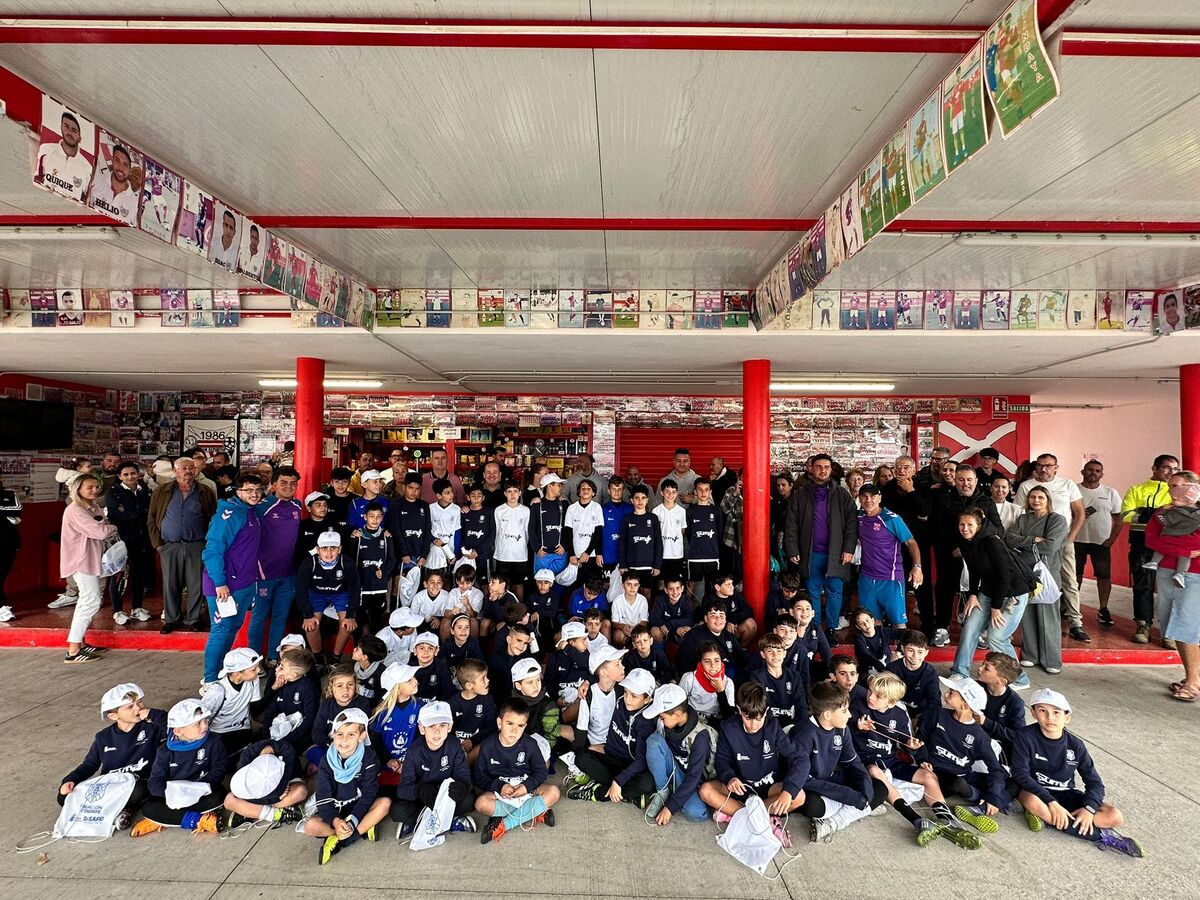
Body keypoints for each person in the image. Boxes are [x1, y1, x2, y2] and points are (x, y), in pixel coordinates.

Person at [1012, 689, 1143, 857]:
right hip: (1037, 792)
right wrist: (1051, 802)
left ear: (1067, 718)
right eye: (1042, 711)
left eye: (1056, 712)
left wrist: (1088, 809)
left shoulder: (1076, 745)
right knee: (1030, 800)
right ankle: (1101, 836)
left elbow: (1095, 783)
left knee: (1115, 816)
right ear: (1033, 713)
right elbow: (1020, 774)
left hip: (1066, 793)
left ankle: (1050, 819)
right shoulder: (1025, 736)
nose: (1050, 718)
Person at [700, 682, 804, 843]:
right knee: (706, 791)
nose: (754, 724)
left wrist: (788, 791)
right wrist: (730, 778)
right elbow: (721, 761)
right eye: (748, 718)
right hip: (740, 789)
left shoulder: (773, 727)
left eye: (759, 718)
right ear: (739, 710)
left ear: (766, 712)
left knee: (799, 796)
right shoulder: (729, 728)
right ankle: (765, 820)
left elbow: (800, 758)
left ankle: (736, 814)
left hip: (767, 789)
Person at [59, 683, 167, 831]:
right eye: (130, 707)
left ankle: (119, 810)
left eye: (140, 702)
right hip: (111, 785)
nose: (138, 708)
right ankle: (118, 811)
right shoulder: (103, 737)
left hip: (137, 783)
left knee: (143, 789)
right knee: (64, 797)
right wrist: (70, 780)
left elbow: (174, 728)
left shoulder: (151, 728)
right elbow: (90, 764)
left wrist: (153, 714)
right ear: (113, 715)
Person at [792, 681, 888, 844]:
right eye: (844, 710)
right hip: (813, 786)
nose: (850, 715)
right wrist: (849, 796)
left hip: (833, 779)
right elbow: (804, 779)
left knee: (879, 789)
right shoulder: (803, 735)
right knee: (810, 806)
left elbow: (854, 762)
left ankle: (831, 823)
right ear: (827, 714)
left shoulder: (842, 728)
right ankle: (855, 810)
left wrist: (865, 789)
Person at [953, 509, 1034, 688]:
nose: (965, 528)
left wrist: (996, 607)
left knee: (996, 638)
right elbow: (973, 569)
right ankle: (960, 671)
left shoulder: (991, 541)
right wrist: (973, 594)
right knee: (970, 628)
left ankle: (1020, 679)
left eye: (969, 525)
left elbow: (1004, 576)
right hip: (988, 591)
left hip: (1012, 593)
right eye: (962, 524)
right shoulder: (965, 541)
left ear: (979, 526)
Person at [1015, 454, 1090, 643]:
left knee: (1069, 581)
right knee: (1032, 582)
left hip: (1063, 542)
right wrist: (1028, 541)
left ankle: (1075, 623)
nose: (1044, 469)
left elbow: (1079, 513)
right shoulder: (1026, 486)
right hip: (1035, 546)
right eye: (1040, 466)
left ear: (1056, 467)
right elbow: (1020, 514)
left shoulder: (1067, 484)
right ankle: (1027, 627)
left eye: (1048, 466)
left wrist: (1070, 538)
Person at [200, 474, 264, 686]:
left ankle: (222, 674)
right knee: (221, 630)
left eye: (257, 489)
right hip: (225, 587)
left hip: (244, 584)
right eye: (249, 490)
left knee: (232, 627)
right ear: (238, 492)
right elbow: (213, 550)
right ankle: (210, 681)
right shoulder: (228, 515)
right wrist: (220, 582)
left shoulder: (250, 512)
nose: (254, 494)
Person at [305, 707, 390, 865]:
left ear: (362, 736)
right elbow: (323, 797)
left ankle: (344, 839)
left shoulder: (369, 757)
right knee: (310, 826)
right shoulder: (326, 761)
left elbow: (369, 793)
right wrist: (336, 822)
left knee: (384, 804)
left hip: (359, 808)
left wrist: (354, 819)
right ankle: (361, 828)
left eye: (351, 734)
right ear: (333, 735)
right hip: (337, 810)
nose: (344, 740)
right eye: (340, 734)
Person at [784, 453, 858, 636]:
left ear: (831, 470)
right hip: (810, 554)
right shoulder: (800, 494)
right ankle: (814, 629)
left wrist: (849, 549)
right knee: (812, 592)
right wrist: (792, 548)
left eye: (826, 467)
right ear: (811, 469)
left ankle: (831, 629)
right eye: (818, 467)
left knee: (835, 591)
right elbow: (791, 524)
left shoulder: (841, 494)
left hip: (836, 553)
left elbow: (851, 523)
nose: (822, 470)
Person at [928, 464, 1001, 647]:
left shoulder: (986, 502)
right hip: (950, 555)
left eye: (969, 480)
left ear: (976, 481)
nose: (965, 484)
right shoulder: (944, 500)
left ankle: (973, 630)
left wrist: (974, 541)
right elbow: (936, 528)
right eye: (961, 479)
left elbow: (997, 528)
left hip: (978, 558)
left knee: (975, 592)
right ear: (955, 480)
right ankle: (942, 628)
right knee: (945, 590)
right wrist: (955, 546)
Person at [132, 698, 227, 837]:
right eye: (197, 724)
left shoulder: (213, 741)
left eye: (205, 720)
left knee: (219, 796)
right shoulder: (165, 751)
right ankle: (197, 820)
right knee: (149, 807)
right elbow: (156, 780)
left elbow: (219, 768)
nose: (204, 726)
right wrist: (172, 794)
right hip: (174, 796)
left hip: (201, 791)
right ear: (178, 731)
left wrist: (198, 788)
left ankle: (165, 820)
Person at [473, 697, 560, 844]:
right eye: (510, 723)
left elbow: (541, 772)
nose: (514, 730)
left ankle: (503, 826)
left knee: (554, 792)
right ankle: (534, 812)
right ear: (499, 723)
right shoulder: (487, 746)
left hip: (526, 789)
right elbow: (479, 776)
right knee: (481, 804)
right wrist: (499, 786)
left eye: (520, 726)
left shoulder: (530, 744)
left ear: (525, 727)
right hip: (502, 792)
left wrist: (526, 786)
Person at [1145, 471, 1200, 701]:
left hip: (1194, 575)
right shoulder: (1164, 512)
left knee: (1186, 626)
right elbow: (1152, 539)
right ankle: (1190, 677)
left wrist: (1177, 546)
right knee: (1173, 625)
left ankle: (1194, 683)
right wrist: (1183, 549)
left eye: (1176, 485)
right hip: (1167, 572)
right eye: (1170, 486)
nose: (1171, 491)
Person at [148, 456, 216, 635]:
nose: (188, 471)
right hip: (169, 546)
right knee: (170, 584)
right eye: (184, 468)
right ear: (175, 471)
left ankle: (194, 618)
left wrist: (208, 544)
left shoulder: (205, 491)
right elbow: (152, 519)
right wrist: (158, 545)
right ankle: (172, 619)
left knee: (196, 584)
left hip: (196, 545)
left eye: (191, 468)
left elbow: (212, 519)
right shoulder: (162, 491)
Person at [391, 700, 476, 838]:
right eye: (431, 726)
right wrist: (420, 790)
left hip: (446, 798)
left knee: (469, 800)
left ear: (450, 727)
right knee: (398, 811)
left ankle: (430, 822)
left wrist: (463, 786)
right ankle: (432, 822)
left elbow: (464, 775)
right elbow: (403, 789)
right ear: (422, 728)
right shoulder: (414, 751)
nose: (437, 731)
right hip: (424, 799)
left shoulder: (454, 745)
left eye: (443, 725)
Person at [1007, 485, 1068, 675]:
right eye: (1033, 497)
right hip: (1024, 571)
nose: (1036, 501)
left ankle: (1051, 659)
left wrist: (1024, 542)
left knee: (1047, 614)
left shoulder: (1056, 520)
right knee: (1027, 612)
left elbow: (1050, 546)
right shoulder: (1024, 518)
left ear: (1047, 500)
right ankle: (1031, 655)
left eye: (1040, 497)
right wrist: (1033, 540)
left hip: (1047, 573)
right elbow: (1010, 539)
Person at [59, 472, 118, 664]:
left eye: (96, 487)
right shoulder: (75, 510)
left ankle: (81, 643)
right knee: (90, 600)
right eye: (89, 488)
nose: (94, 490)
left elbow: (102, 523)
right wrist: (113, 528)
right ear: (78, 490)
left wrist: (107, 526)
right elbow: (100, 531)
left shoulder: (91, 506)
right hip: (80, 560)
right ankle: (74, 649)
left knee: (87, 600)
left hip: (91, 558)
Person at [1121, 454, 1179, 645]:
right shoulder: (1137, 489)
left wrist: (1146, 512)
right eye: (1167, 468)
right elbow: (1126, 515)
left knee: (1170, 589)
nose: (1171, 472)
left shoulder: (1178, 491)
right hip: (1142, 545)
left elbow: (1182, 515)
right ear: (1154, 468)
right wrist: (1156, 514)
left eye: (1175, 469)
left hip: (1170, 546)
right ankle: (1143, 625)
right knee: (1143, 586)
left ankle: (1168, 631)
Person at [642, 682, 718, 825]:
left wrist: (670, 808)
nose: (660, 720)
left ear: (677, 714)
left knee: (696, 813)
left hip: (694, 780)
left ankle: (676, 794)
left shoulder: (699, 737)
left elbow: (694, 777)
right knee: (653, 741)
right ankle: (663, 790)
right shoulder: (669, 722)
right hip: (676, 768)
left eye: (662, 717)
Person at [250, 467, 302, 663]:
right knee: (259, 617)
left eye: (293, 483)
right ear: (273, 485)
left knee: (281, 617)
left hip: (288, 574)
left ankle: (273, 657)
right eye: (283, 482)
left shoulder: (297, 506)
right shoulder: (262, 507)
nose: (289, 487)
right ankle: (253, 660)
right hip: (264, 573)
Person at [855, 483, 922, 628]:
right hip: (866, 578)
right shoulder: (858, 517)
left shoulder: (891, 519)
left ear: (879, 498)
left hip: (890, 578)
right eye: (864, 497)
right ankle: (880, 650)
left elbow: (911, 542)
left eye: (872, 496)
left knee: (898, 623)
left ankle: (901, 651)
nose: (868, 500)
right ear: (859, 498)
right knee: (872, 622)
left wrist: (917, 567)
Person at [1074, 460, 1124, 628]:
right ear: (1083, 471)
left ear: (1101, 474)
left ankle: (1103, 608)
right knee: (1075, 576)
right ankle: (1072, 607)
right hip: (1076, 540)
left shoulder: (1110, 492)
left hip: (1101, 543)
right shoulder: (1073, 489)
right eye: (1090, 470)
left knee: (1103, 576)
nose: (1093, 473)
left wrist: (1111, 539)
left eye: (1097, 471)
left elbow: (1118, 519)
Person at [104, 461, 154, 625]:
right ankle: (117, 610)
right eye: (126, 474)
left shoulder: (144, 490)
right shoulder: (113, 493)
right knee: (118, 576)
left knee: (139, 575)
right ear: (120, 477)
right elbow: (119, 514)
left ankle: (136, 608)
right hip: (122, 541)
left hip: (142, 540)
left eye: (133, 473)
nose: (130, 477)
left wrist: (138, 513)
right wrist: (139, 513)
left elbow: (150, 513)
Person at [36, 110, 94, 200]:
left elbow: (85, 202)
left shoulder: (87, 169)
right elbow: (35, 181)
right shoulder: (45, 150)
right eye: (66, 127)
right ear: (61, 128)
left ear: (80, 138)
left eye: (74, 130)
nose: (69, 132)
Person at [493, 480, 531, 600]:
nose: (512, 494)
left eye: (515, 491)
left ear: (520, 493)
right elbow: (497, 532)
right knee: (504, 584)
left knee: (519, 583)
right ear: (505, 493)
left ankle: (519, 610)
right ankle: (506, 610)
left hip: (520, 555)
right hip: (502, 554)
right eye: (509, 491)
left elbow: (527, 532)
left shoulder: (525, 511)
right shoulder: (499, 510)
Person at [686, 478, 723, 599]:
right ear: (695, 492)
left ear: (710, 492)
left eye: (706, 490)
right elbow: (689, 532)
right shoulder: (690, 511)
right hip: (695, 556)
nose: (703, 493)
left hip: (712, 555)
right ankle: (688, 611)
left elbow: (719, 532)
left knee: (712, 585)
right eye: (700, 490)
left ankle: (710, 610)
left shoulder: (716, 511)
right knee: (691, 584)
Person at [619, 483, 662, 588]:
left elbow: (658, 543)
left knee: (647, 592)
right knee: (631, 592)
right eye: (637, 498)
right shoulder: (627, 519)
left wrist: (657, 565)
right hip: (631, 565)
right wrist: (623, 564)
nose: (640, 501)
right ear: (632, 500)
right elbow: (622, 543)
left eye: (643, 498)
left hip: (648, 564)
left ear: (647, 500)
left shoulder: (653, 518)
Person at [0, 472, 20, 622]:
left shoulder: (9, 493)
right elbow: (11, 513)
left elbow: (17, 509)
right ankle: (2, 607)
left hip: (8, 542)